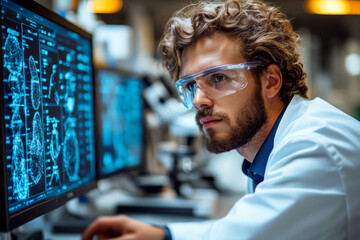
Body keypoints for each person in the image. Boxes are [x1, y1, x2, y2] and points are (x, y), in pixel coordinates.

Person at [82, 0, 360, 239]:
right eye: (191, 85)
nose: (197, 100)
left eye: (218, 78)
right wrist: (164, 234)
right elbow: (240, 230)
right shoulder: (276, 146)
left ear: (271, 81)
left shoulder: (314, 147)